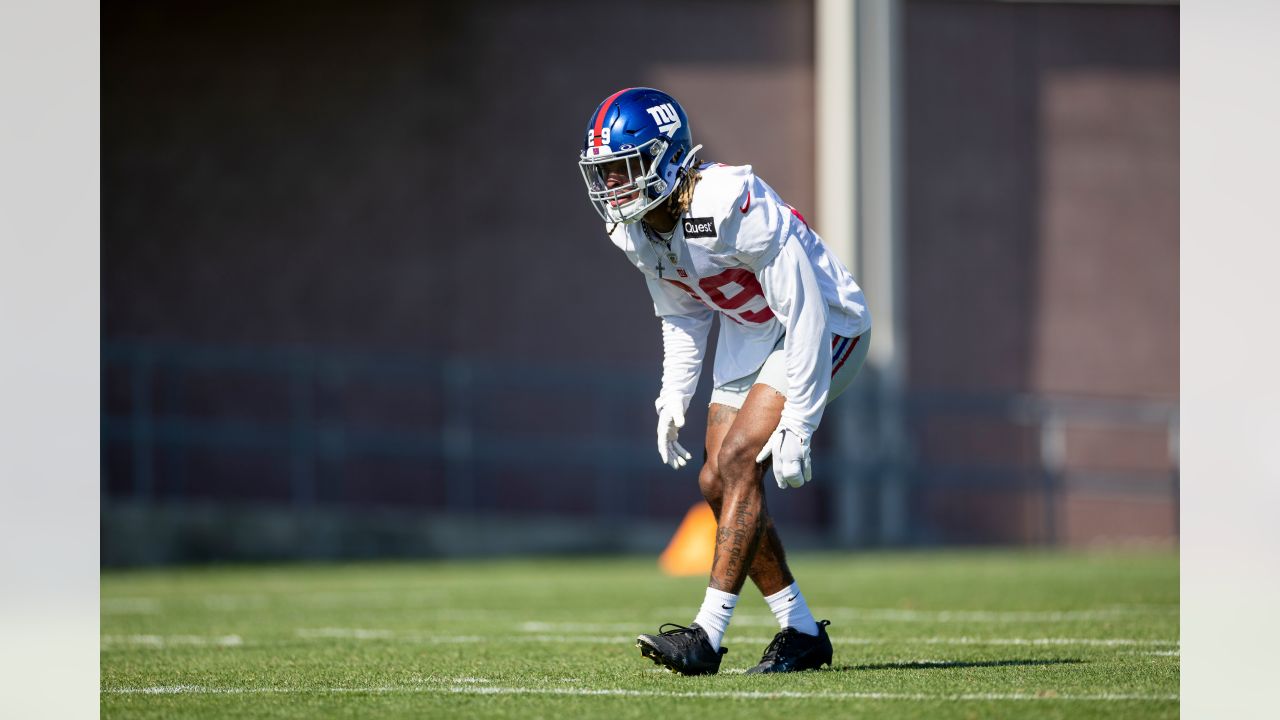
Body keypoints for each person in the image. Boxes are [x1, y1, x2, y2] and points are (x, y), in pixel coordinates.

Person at [578, 87, 872, 676]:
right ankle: (802, 631)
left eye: (626, 169)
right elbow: (684, 311)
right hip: (752, 333)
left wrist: (802, 420)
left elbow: (806, 307)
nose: (614, 186)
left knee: (740, 460)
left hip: (823, 325)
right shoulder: (637, 231)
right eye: (605, 173)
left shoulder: (728, 201)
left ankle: (706, 638)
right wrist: (674, 394)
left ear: (667, 157)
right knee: (716, 479)